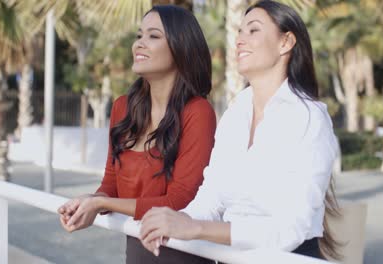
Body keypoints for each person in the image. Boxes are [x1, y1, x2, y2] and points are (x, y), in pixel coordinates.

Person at [139, 0, 339, 260]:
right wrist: (176, 220)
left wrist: (197, 228)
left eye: (253, 30)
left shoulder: (309, 117)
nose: (240, 40)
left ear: (286, 42)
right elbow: (211, 198)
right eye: (239, 32)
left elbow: (292, 228)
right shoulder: (236, 112)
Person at [57, 5, 216, 264]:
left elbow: (180, 200)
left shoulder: (198, 112)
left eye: (153, 36)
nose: (139, 44)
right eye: (139, 35)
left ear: (181, 47)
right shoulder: (122, 108)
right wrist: (90, 203)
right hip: (137, 251)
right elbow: (111, 184)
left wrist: (100, 205)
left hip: (186, 255)